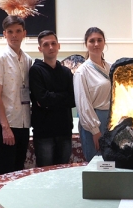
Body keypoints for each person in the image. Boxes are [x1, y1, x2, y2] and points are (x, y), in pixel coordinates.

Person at [0, 15, 33, 174]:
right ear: (4, 34)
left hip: (23, 122)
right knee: (5, 172)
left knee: (18, 171)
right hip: (5, 123)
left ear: (24, 33)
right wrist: (5, 127)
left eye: (18, 31)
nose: (14, 35)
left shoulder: (28, 60)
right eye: (10, 31)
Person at [30, 30, 76, 166]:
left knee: (63, 171)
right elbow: (42, 99)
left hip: (65, 130)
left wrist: (50, 99)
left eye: (53, 43)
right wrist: (62, 96)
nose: (50, 47)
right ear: (40, 48)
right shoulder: (35, 71)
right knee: (45, 173)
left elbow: (73, 99)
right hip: (44, 133)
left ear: (58, 46)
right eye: (46, 44)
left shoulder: (66, 72)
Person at [73, 27, 112, 162]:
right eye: (92, 41)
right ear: (86, 44)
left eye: (99, 40)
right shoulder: (82, 72)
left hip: (111, 121)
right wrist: (95, 130)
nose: (96, 44)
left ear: (104, 42)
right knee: (97, 164)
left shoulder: (111, 67)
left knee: (112, 163)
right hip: (94, 121)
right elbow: (83, 104)